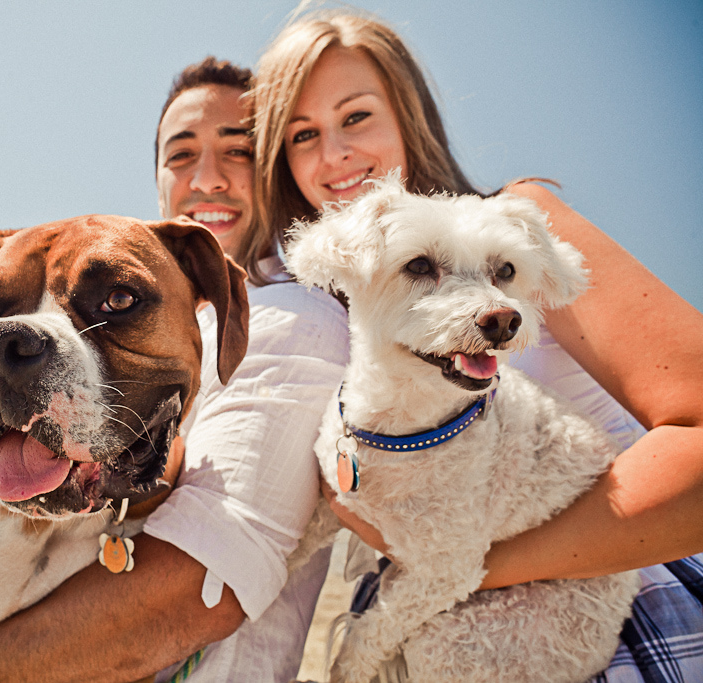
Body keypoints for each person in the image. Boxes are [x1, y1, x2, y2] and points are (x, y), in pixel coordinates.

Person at [250, 9, 703, 680]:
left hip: (613, 606)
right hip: (426, 626)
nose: (334, 155)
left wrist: (461, 565)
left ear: (409, 116)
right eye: (303, 135)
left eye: (356, 117)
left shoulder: (521, 223)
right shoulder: (316, 306)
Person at [0, 56, 350, 683]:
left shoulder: (293, 318)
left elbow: (179, 599)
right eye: (180, 155)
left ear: (280, 168)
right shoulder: (171, 290)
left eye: (117, 302)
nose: (206, 177)